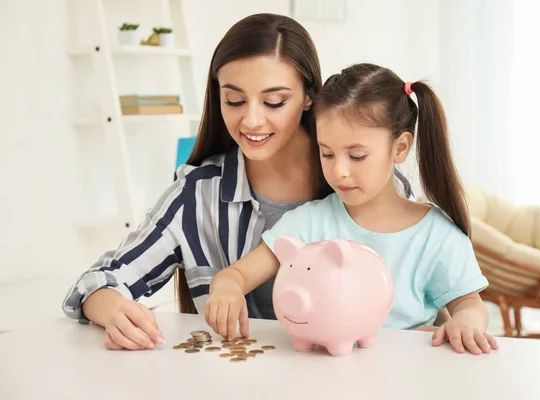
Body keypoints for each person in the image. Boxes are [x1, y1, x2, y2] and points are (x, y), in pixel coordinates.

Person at [60, 13, 415, 351]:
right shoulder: (198, 194)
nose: (252, 120)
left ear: (309, 96)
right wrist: (110, 308)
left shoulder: (364, 181)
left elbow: (413, 293)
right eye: (234, 100)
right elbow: (99, 280)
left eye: (274, 102)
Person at [205, 63, 500, 355]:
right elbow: (238, 275)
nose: (339, 171)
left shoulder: (436, 236)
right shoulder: (308, 223)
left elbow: (468, 303)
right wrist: (226, 290)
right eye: (327, 153)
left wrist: (464, 323)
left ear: (399, 148)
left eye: (357, 156)